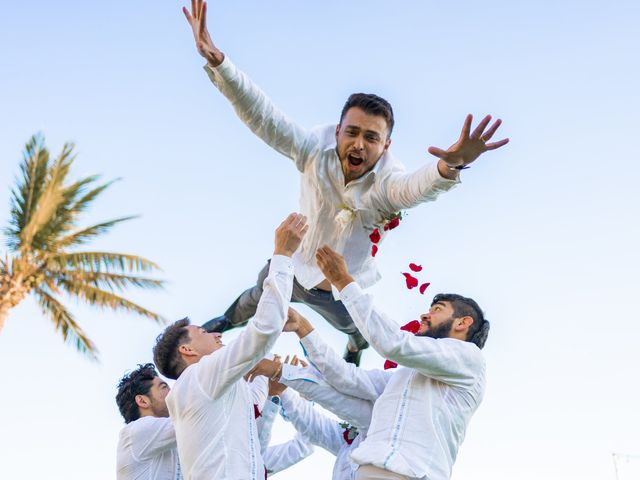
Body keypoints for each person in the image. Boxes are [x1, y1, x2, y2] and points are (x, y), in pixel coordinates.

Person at [182, 0, 509, 365]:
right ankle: (226, 322)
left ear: (386, 146)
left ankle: (354, 347)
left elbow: (416, 187)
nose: (358, 144)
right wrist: (219, 64)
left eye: (371, 138)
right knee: (250, 300)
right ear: (337, 131)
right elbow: (265, 118)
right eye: (351, 132)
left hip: (334, 288)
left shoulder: (387, 183)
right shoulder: (311, 149)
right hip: (293, 267)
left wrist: (451, 166)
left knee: (355, 329)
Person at [281, 245, 490, 480]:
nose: (424, 315)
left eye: (437, 310)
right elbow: (348, 379)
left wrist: (344, 282)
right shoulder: (404, 376)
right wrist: (303, 331)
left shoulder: (470, 359)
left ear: (462, 323)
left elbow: (394, 343)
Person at [152, 213, 307, 480]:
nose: (215, 334)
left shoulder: (218, 387)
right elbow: (261, 334)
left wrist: (275, 383)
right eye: (203, 332)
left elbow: (256, 382)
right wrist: (282, 253)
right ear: (187, 351)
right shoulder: (198, 378)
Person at [115, 363, 180, 480]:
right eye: (164, 387)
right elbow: (193, 417)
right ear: (142, 401)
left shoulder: (167, 438)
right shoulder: (138, 430)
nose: (172, 392)